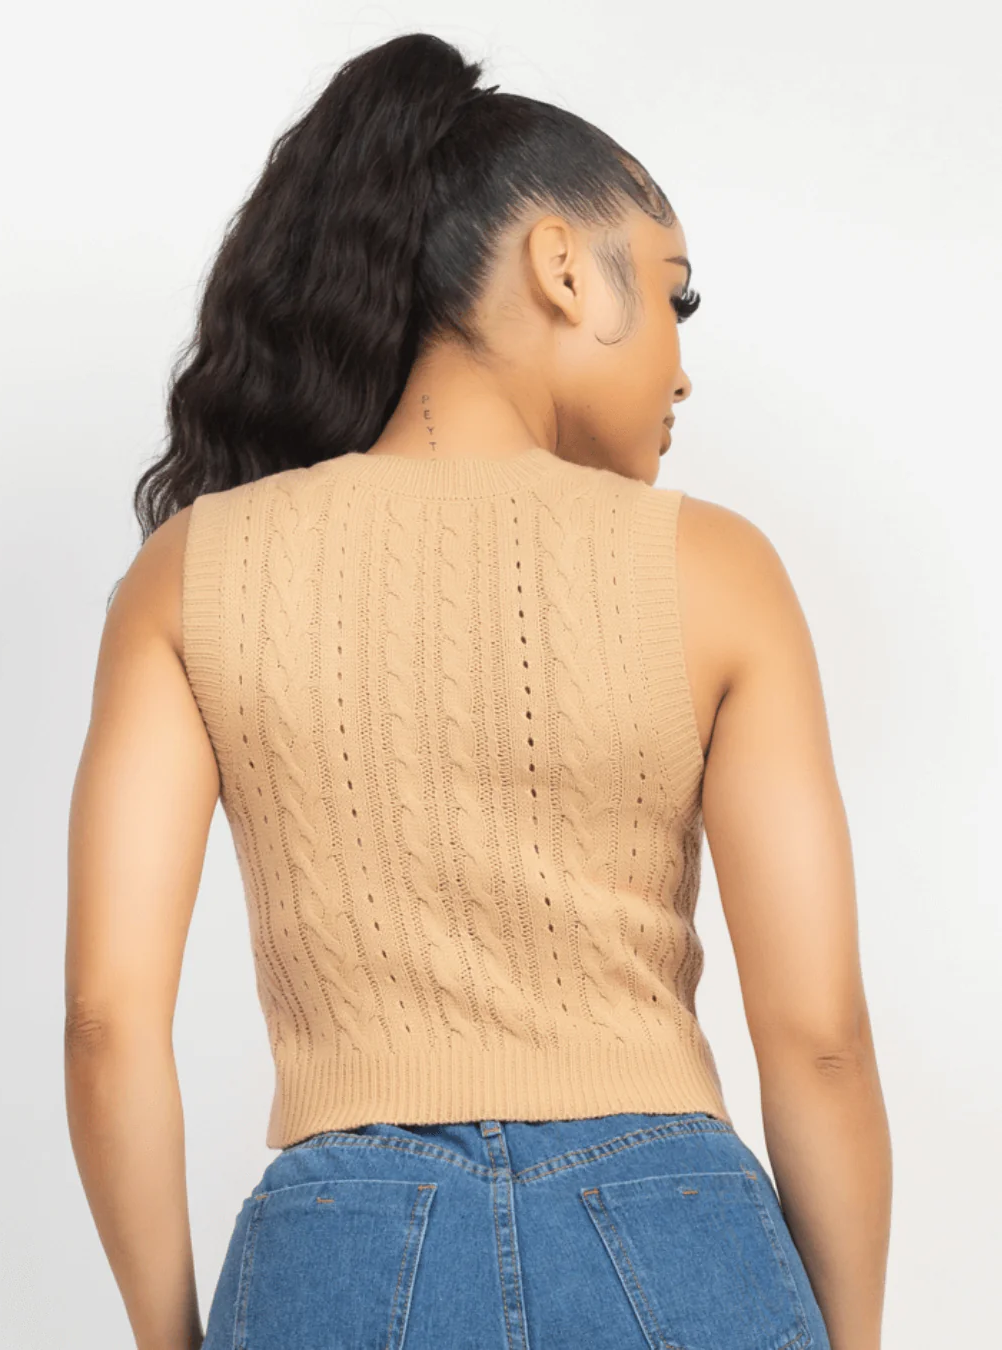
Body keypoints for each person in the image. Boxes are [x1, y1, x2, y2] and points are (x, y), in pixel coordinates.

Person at [65, 30, 891, 1350]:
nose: (683, 366)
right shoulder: (718, 571)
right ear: (561, 266)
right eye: (672, 297)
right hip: (678, 1234)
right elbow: (821, 1040)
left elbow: (107, 1025)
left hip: (335, 1252)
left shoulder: (189, 575)